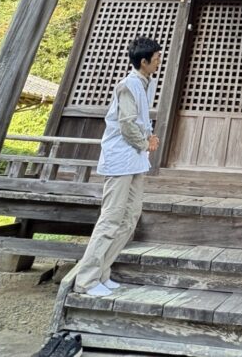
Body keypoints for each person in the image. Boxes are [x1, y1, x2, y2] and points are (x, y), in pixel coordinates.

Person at [73, 35, 162, 296]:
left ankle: (103, 272)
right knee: (111, 219)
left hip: (136, 160)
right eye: (156, 58)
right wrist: (146, 143)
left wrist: (148, 138)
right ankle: (86, 280)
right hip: (121, 159)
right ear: (143, 61)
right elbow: (126, 123)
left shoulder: (147, 84)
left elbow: (140, 120)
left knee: (130, 217)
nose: (159, 62)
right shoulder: (128, 85)